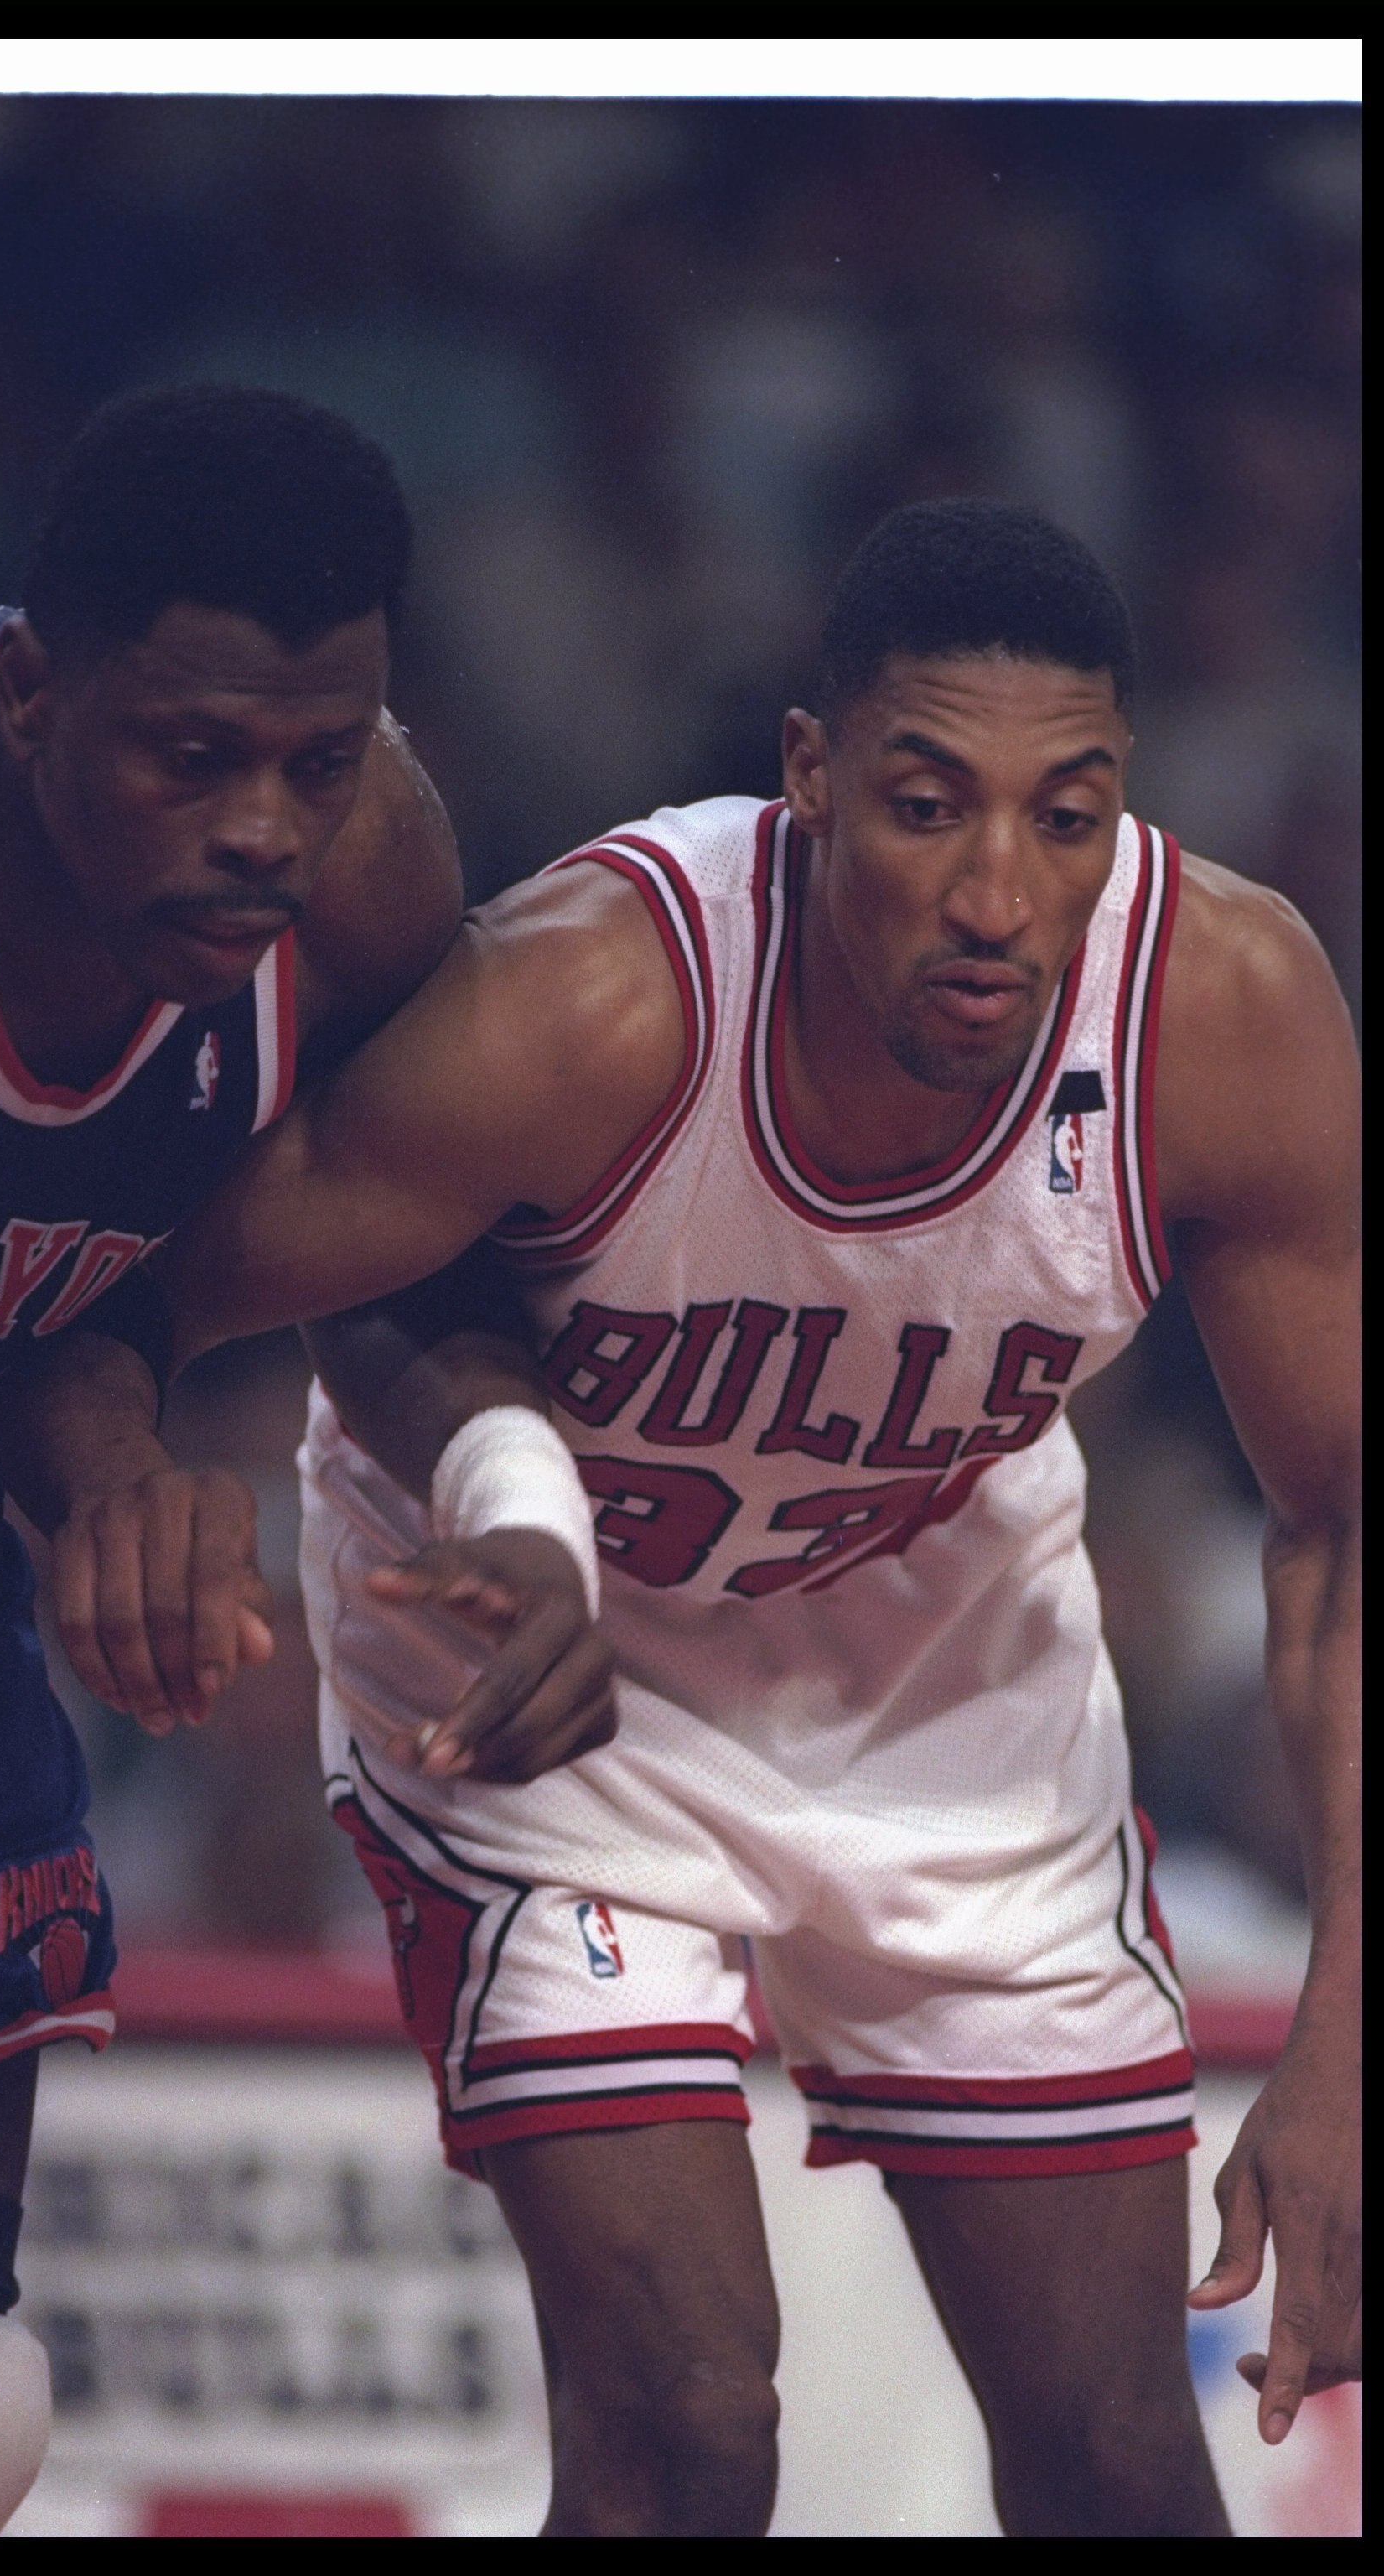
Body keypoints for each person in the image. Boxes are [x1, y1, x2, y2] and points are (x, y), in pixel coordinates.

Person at [139, 501, 1360, 2537]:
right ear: (804, 781)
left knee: (1120, 2468)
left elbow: (1337, 1526)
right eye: (921, 806)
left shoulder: (1213, 1012)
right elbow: (225, 1264)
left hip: (946, 1685)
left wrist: (1341, 2054)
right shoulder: (606, 993)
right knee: (689, 2436)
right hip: (541, 1690)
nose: (995, 893)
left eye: (1066, 820)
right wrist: (136, 1474)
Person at [0, 383, 468, 2537]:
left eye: (321, 759)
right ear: (27, 689)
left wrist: (117, 1454)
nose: (266, 830)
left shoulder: (368, 888)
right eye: (194, 754)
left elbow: (351, 1271)